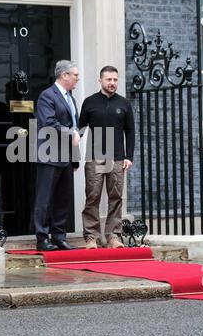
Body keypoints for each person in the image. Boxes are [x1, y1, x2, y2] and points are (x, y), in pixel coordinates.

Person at [79, 65, 135, 249]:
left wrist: (129, 156)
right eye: (108, 79)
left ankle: (114, 236)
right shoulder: (89, 102)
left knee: (116, 197)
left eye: (115, 80)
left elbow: (130, 131)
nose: (112, 83)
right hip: (95, 157)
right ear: (100, 80)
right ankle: (91, 237)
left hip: (118, 157)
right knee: (93, 196)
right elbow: (79, 129)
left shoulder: (124, 103)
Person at [33, 60, 80, 251]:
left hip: (67, 157)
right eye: (75, 75)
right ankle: (42, 238)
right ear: (64, 75)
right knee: (45, 198)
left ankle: (59, 236)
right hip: (50, 155)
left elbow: (74, 125)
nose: (77, 78)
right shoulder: (47, 96)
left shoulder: (71, 98)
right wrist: (71, 133)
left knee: (63, 198)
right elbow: (48, 123)